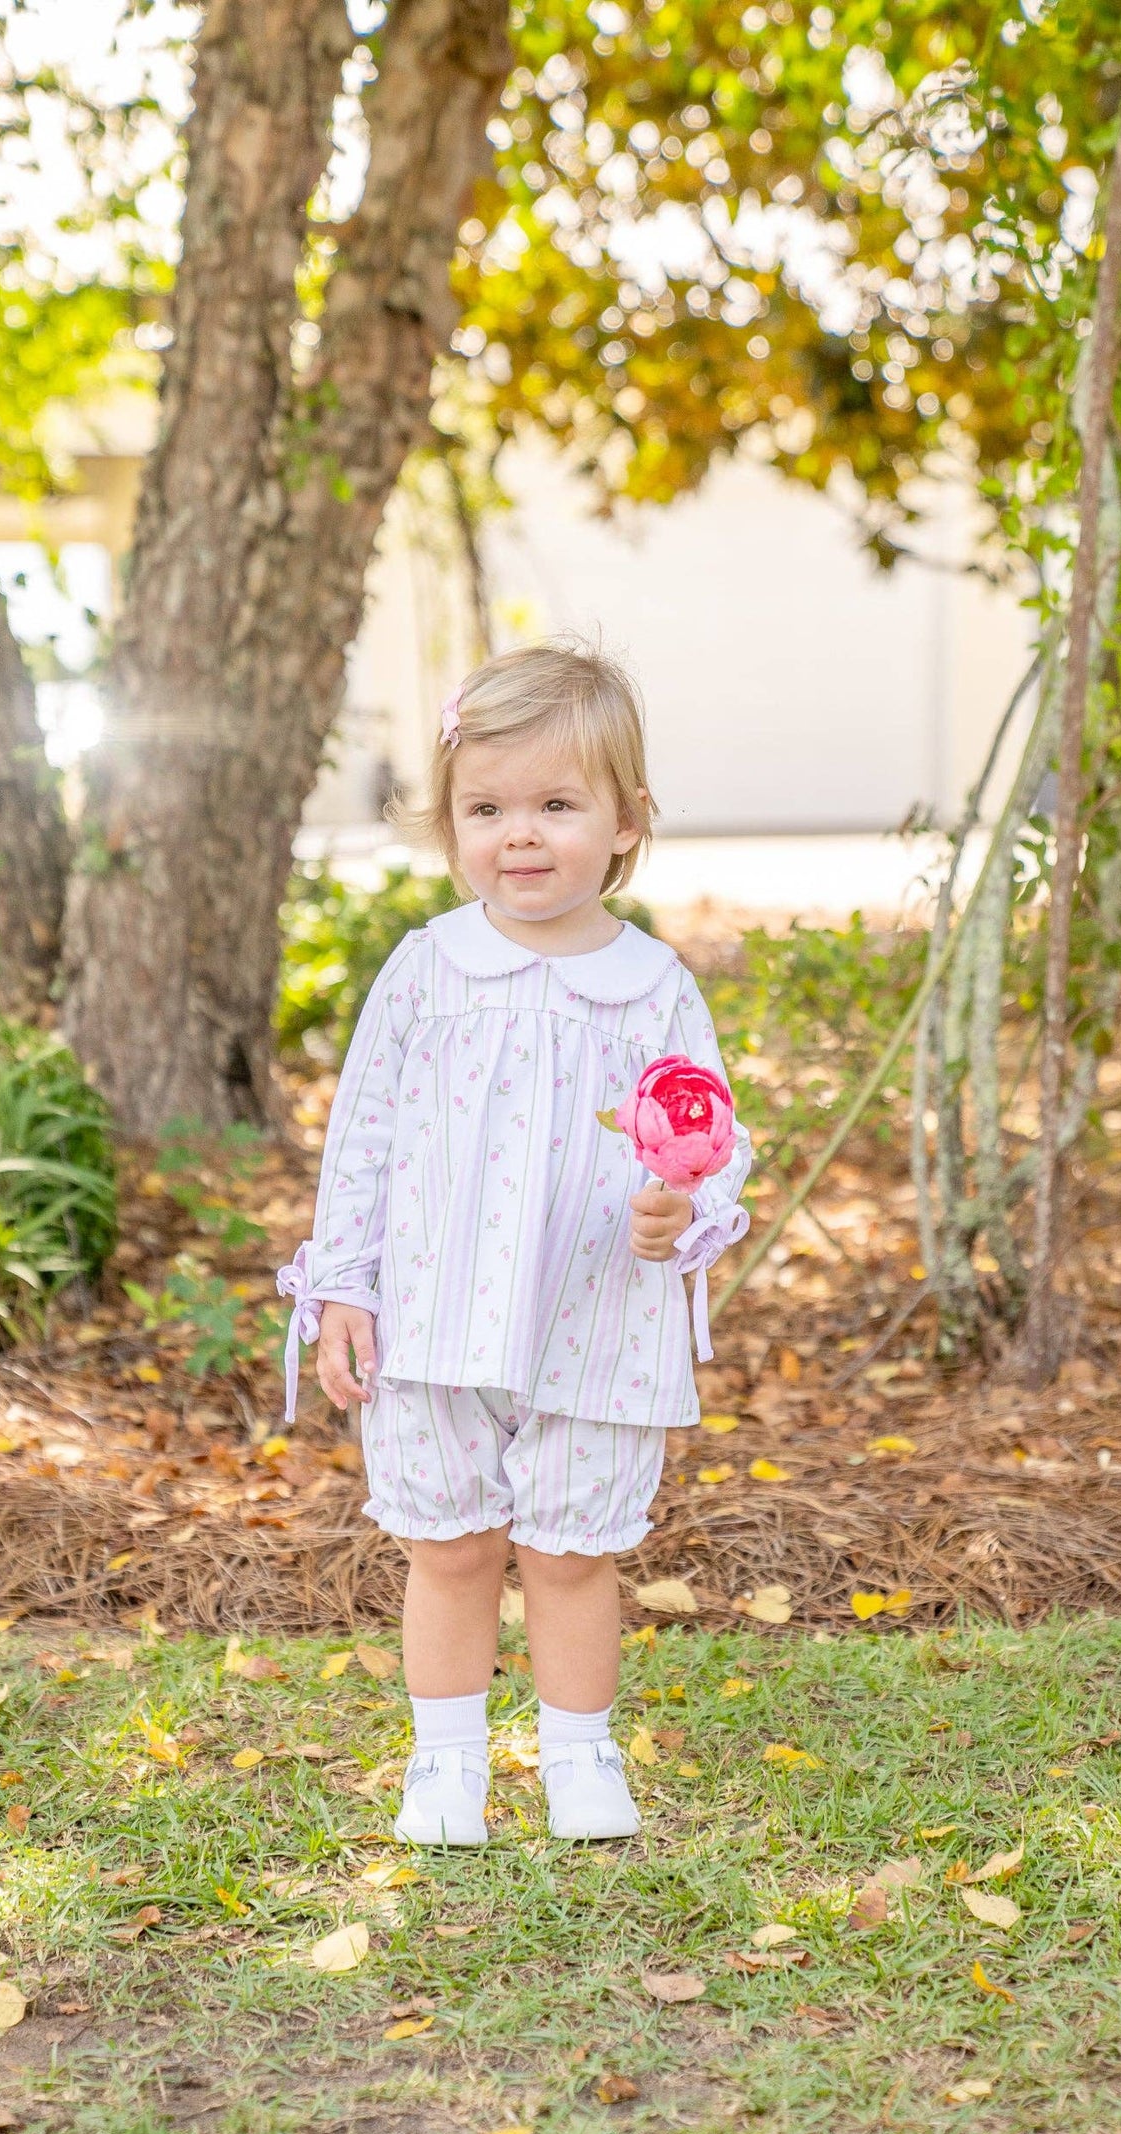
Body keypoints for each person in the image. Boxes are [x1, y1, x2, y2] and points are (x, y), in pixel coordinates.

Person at [277, 641, 752, 1845]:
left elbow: (703, 1130)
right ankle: (446, 1765)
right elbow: (365, 1137)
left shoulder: (650, 986)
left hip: (595, 1310)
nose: (520, 836)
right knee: (447, 1544)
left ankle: (577, 1752)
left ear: (626, 822)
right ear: (449, 825)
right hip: (439, 1312)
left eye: (555, 804)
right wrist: (343, 1287)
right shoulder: (429, 969)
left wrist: (679, 1205)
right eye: (487, 809)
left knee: (569, 1548)